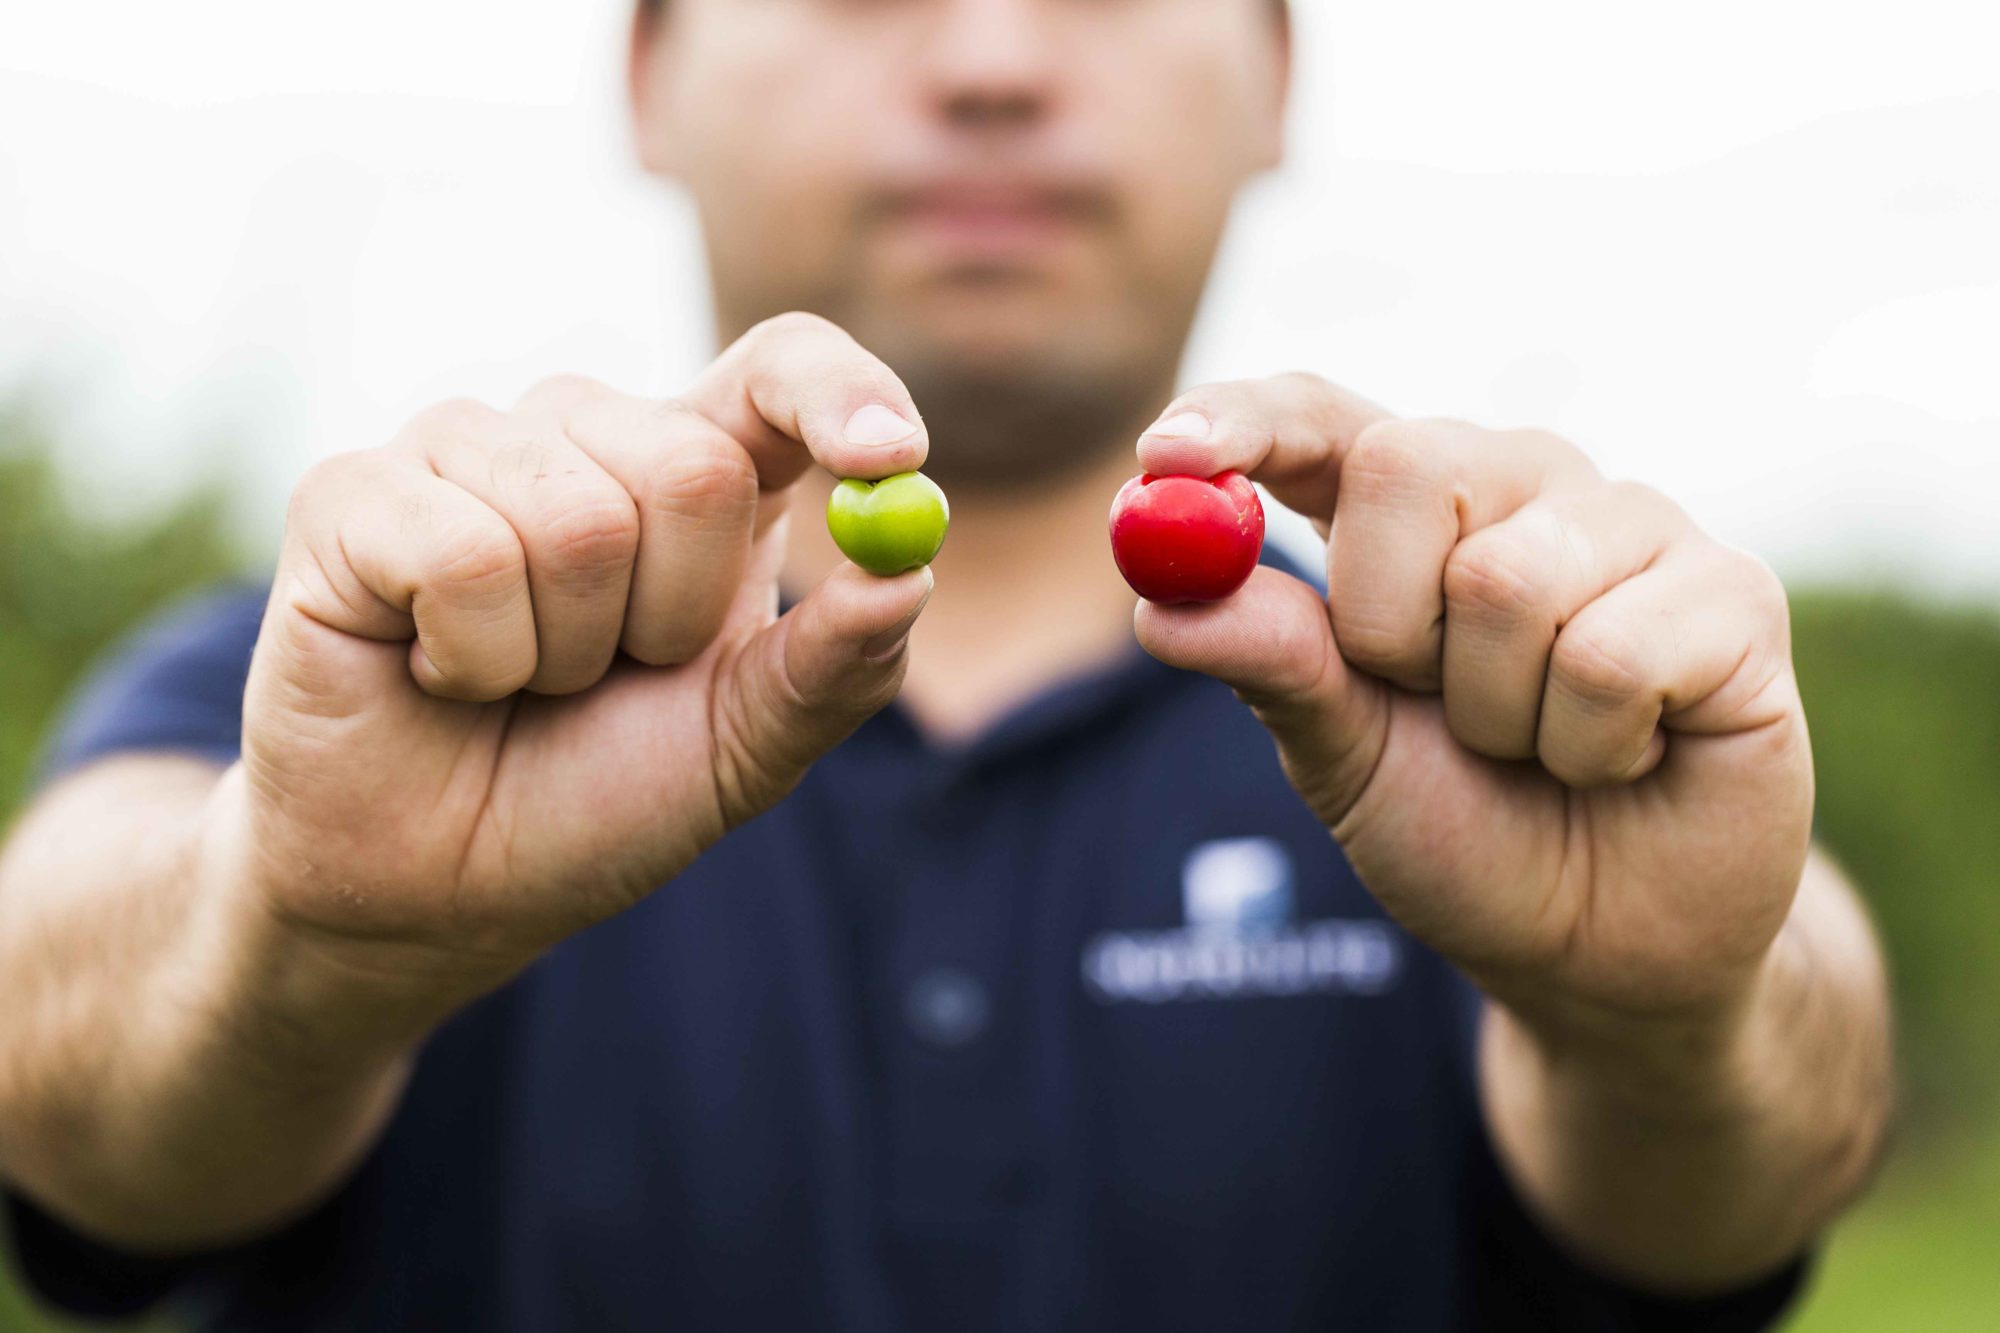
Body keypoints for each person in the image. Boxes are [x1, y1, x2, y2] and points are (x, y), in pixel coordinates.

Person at [0, 1, 1894, 1329]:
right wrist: (296, 946)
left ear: (1277, 69)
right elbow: (57, 1060)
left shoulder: (1498, 693)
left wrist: (1678, 1026)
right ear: (652, 70)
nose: (992, 58)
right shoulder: (346, 682)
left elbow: (1782, 1112)